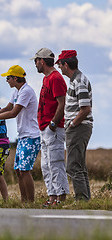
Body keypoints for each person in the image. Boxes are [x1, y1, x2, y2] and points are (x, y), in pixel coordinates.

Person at [0, 65, 41, 203]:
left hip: (31, 135)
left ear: (15, 78)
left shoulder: (26, 91)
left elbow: (13, 112)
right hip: (23, 136)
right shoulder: (17, 91)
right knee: (18, 170)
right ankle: (24, 201)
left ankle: (30, 202)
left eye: (8, 78)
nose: (7, 80)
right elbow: (7, 107)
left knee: (24, 170)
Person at [31, 48, 70, 207]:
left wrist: (53, 123)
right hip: (44, 127)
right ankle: (52, 197)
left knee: (56, 163)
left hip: (52, 127)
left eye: (36, 61)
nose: (35, 64)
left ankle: (61, 198)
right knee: (46, 166)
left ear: (42, 61)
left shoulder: (55, 78)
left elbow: (62, 103)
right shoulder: (47, 78)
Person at [56, 50, 93, 201]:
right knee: (79, 166)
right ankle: (85, 200)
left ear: (66, 64)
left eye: (60, 64)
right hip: (79, 127)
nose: (59, 67)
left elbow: (85, 108)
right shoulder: (76, 79)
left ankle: (81, 200)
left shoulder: (78, 81)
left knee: (73, 166)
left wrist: (72, 124)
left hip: (79, 127)